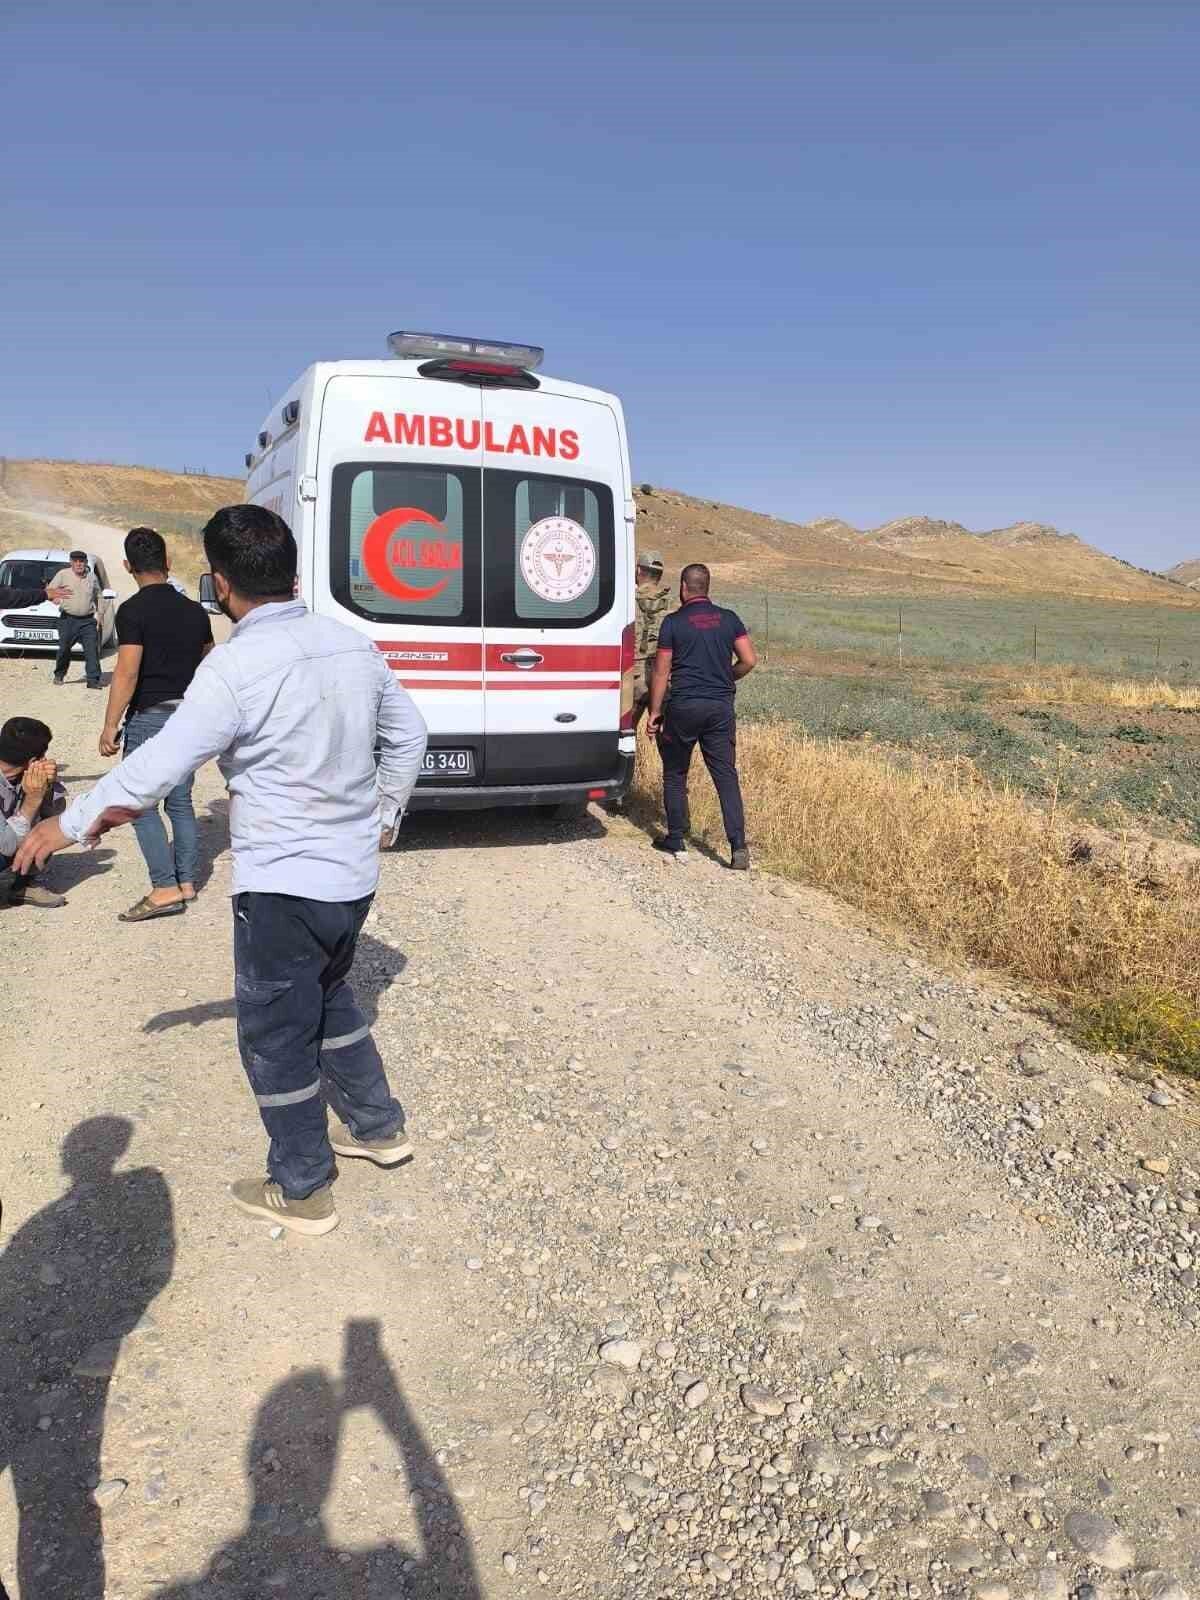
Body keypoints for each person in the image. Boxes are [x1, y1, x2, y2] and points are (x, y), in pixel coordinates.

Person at [15, 504, 428, 1236]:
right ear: (293, 574)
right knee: (330, 997)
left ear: (219, 580)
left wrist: (66, 821)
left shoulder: (237, 665)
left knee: (274, 1035)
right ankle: (377, 1128)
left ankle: (301, 1188)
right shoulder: (351, 645)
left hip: (284, 888)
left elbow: (161, 763)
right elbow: (410, 734)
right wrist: (385, 816)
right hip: (353, 878)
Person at [100, 526, 214, 922]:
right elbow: (209, 664)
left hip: (150, 718)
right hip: (187, 718)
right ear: (167, 563)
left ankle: (164, 887)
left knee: (141, 805)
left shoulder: (132, 611)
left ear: (128, 566)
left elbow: (127, 673)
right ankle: (187, 883)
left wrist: (110, 725)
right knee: (180, 803)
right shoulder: (195, 612)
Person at [646, 562, 756, 870]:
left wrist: (654, 712)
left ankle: (676, 838)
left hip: (683, 707)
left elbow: (661, 670)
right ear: (707, 587)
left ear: (683, 587)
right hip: (720, 708)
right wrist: (725, 677)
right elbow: (749, 660)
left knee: (675, 772)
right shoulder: (729, 618)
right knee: (725, 776)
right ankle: (738, 847)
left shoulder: (673, 623)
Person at [0, 715, 68, 908]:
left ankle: (22, 887)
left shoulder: (24, 774)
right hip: (4, 842)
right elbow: (6, 845)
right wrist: (32, 800)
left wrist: (48, 786)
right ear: (32, 761)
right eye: (43, 757)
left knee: (46, 829)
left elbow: (55, 818)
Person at [49, 549, 102, 689]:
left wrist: (100, 615)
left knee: (91, 650)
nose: (79, 564)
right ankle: (59, 674)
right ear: (71, 563)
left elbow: (99, 596)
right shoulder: (62, 574)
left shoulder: (92, 577)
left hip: (88, 621)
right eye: (76, 561)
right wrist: (55, 598)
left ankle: (93, 680)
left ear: (85, 563)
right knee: (64, 649)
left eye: (81, 561)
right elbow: (50, 590)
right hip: (68, 620)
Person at [632, 550, 671, 730]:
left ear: (639, 570)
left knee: (624, 735)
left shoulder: (626, 601)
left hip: (632, 675)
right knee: (667, 739)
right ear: (659, 575)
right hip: (662, 677)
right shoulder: (671, 605)